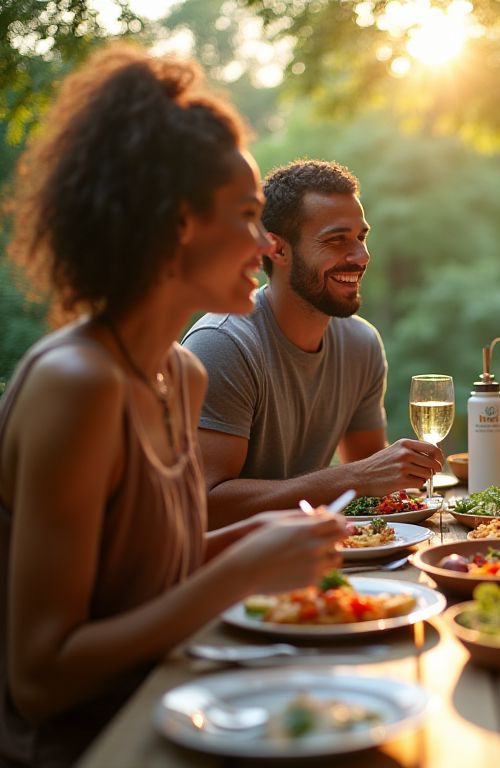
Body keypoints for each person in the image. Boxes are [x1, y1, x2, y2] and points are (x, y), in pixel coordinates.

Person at [0, 46, 350, 766]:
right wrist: (245, 569)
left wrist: (261, 539)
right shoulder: (78, 384)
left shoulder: (182, 374)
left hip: (185, 704)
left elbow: (156, 577)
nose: (265, 247)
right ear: (175, 223)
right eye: (250, 217)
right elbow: (38, 679)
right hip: (92, 745)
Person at [182, 160, 442, 528]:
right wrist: (354, 477)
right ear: (277, 249)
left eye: (361, 238)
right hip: (237, 570)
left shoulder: (361, 342)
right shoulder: (224, 344)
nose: (361, 256)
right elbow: (206, 504)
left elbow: (374, 485)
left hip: (324, 556)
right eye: (337, 240)